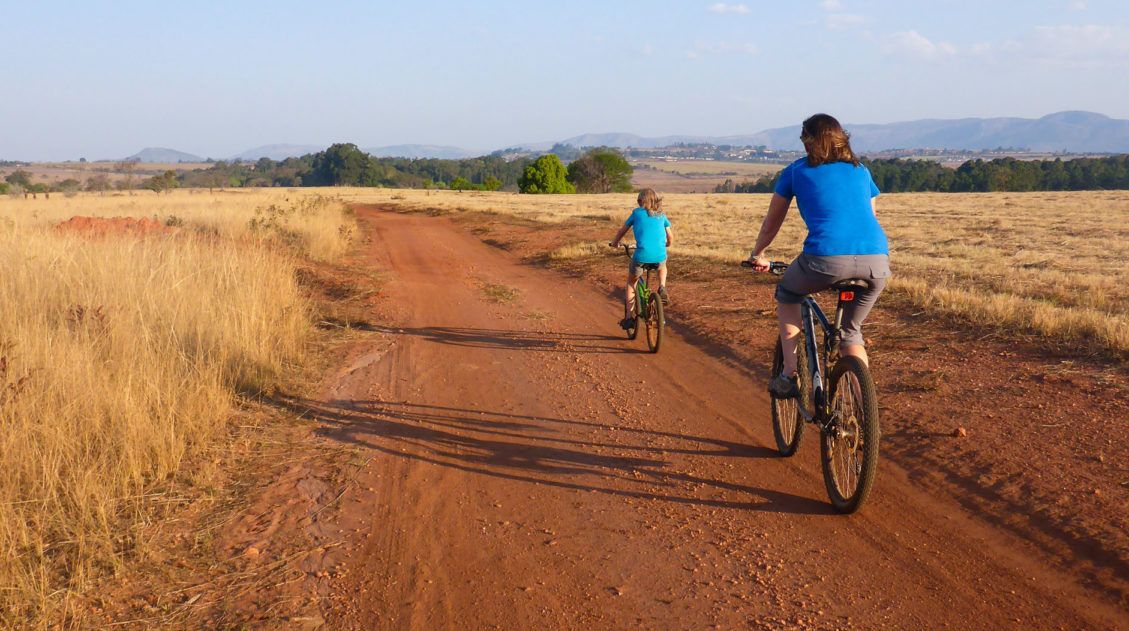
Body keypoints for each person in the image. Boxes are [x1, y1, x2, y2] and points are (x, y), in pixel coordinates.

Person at [746, 113, 891, 398]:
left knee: (788, 294)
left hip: (824, 259)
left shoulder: (796, 171)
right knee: (851, 333)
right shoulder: (862, 170)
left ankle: (789, 375)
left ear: (809, 142)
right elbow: (871, 216)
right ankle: (865, 414)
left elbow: (771, 224)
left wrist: (758, 254)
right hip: (876, 260)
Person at [609, 188, 673, 330]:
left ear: (641, 201)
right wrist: (667, 245)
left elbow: (622, 231)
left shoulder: (637, 213)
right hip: (659, 254)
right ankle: (662, 287)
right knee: (662, 266)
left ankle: (629, 318)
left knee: (632, 282)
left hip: (641, 255)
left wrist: (614, 243)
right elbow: (670, 237)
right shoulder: (661, 215)